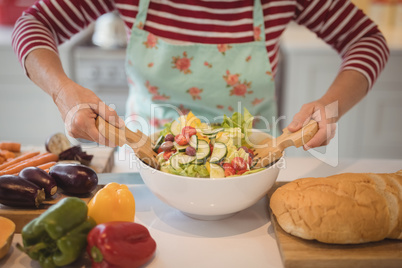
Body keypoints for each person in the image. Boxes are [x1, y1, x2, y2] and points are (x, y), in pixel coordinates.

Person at [12, 0, 389, 150]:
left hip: (251, 162)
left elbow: (367, 39)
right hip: (148, 158)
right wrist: (63, 92)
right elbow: (33, 22)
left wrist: (329, 106)